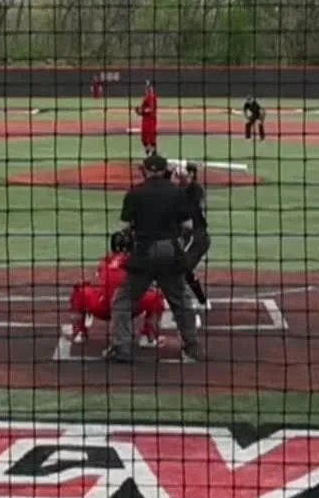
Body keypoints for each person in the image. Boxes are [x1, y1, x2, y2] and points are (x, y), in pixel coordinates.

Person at [104, 152, 203, 364]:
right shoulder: (177, 192)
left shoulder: (135, 193)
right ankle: (192, 347)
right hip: (170, 250)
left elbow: (125, 229)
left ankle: (121, 348)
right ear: (165, 170)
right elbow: (188, 226)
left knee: (123, 300)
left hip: (144, 252)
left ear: (145, 170)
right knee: (181, 302)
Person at [67, 232, 165, 347]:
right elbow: (148, 283)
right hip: (130, 308)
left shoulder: (106, 260)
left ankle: (79, 333)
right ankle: (148, 337)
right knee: (156, 295)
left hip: (103, 308)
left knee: (79, 290)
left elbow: (94, 281)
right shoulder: (138, 260)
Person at [176, 162, 212, 313]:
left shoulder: (195, 190)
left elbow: (190, 197)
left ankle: (189, 304)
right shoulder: (181, 190)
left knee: (180, 268)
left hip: (197, 238)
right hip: (187, 237)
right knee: (181, 269)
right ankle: (201, 301)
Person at [136, 80, 158, 155]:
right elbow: (145, 110)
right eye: (146, 86)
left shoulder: (151, 96)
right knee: (144, 138)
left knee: (151, 138)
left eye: (148, 86)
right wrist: (140, 112)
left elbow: (151, 109)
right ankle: (148, 151)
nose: (147, 88)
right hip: (146, 119)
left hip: (150, 120)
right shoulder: (146, 96)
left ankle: (153, 153)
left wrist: (142, 111)